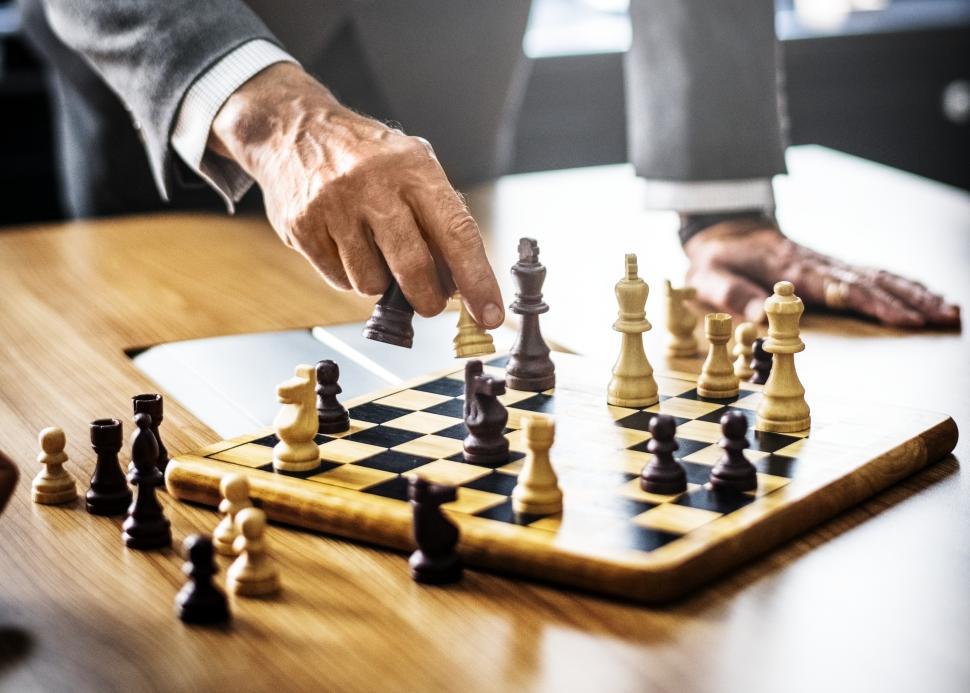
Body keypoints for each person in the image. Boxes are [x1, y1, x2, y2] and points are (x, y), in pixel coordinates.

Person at [19, 0, 960, 330]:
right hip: (178, 70)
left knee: (445, 325)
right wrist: (270, 113)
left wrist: (718, 203)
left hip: (442, 52)